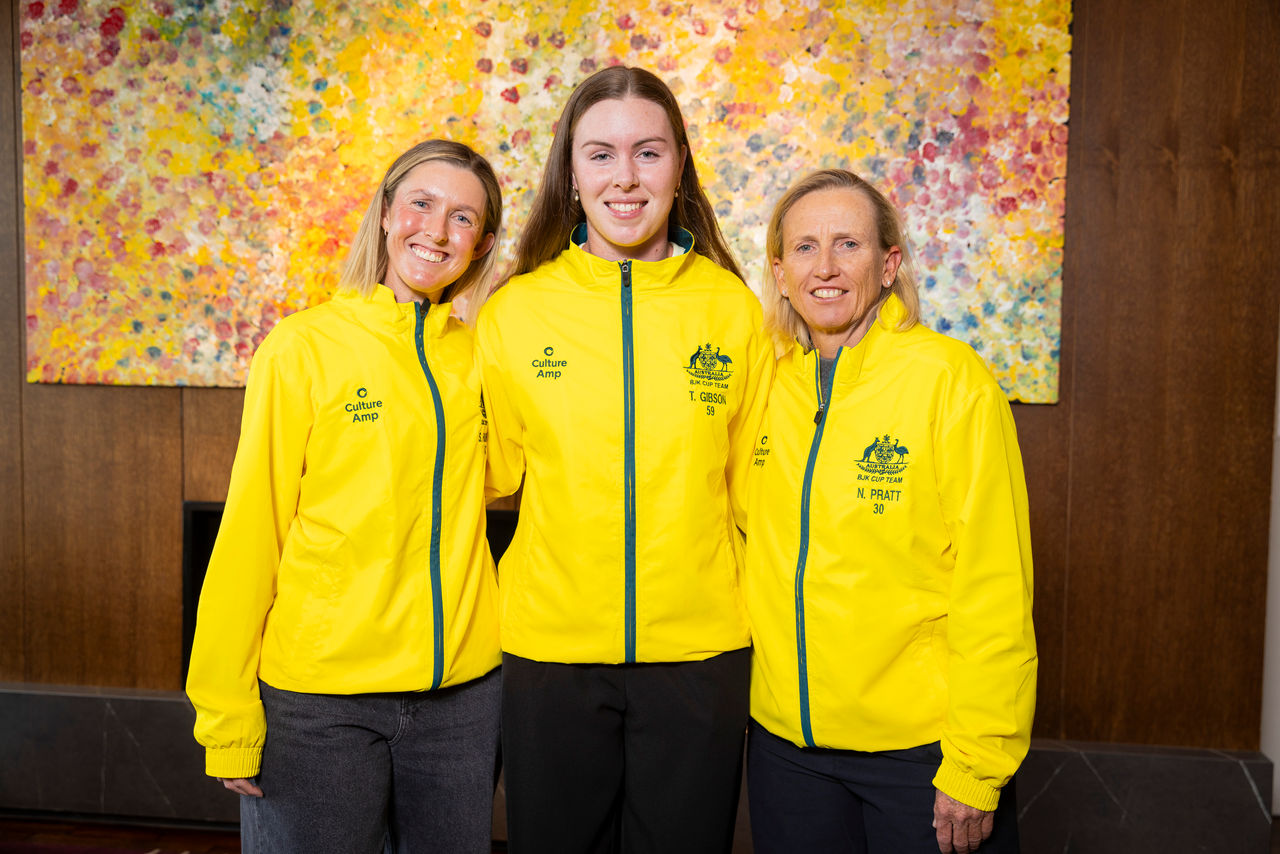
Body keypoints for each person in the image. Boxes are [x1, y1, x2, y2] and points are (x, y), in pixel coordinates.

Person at [475, 66, 774, 854]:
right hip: (550, 654)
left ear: (680, 164)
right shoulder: (516, 313)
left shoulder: (733, 310)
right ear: (570, 173)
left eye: (649, 152)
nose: (627, 178)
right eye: (601, 155)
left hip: (701, 655)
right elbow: (481, 470)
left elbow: (760, 493)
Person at [186, 139, 504, 854]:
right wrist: (228, 714)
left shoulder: (481, 356)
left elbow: (505, 475)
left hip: (462, 699)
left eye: (463, 218)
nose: (436, 229)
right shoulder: (303, 348)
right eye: (421, 203)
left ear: (481, 244)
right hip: (319, 704)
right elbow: (250, 531)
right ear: (387, 212)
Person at [744, 169, 1036, 854]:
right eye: (805, 248)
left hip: (920, 754)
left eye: (848, 244)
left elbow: (996, 583)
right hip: (787, 750)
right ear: (780, 273)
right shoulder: (767, 385)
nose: (825, 267)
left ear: (888, 264)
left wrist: (975, 763)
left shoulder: (949, 380)